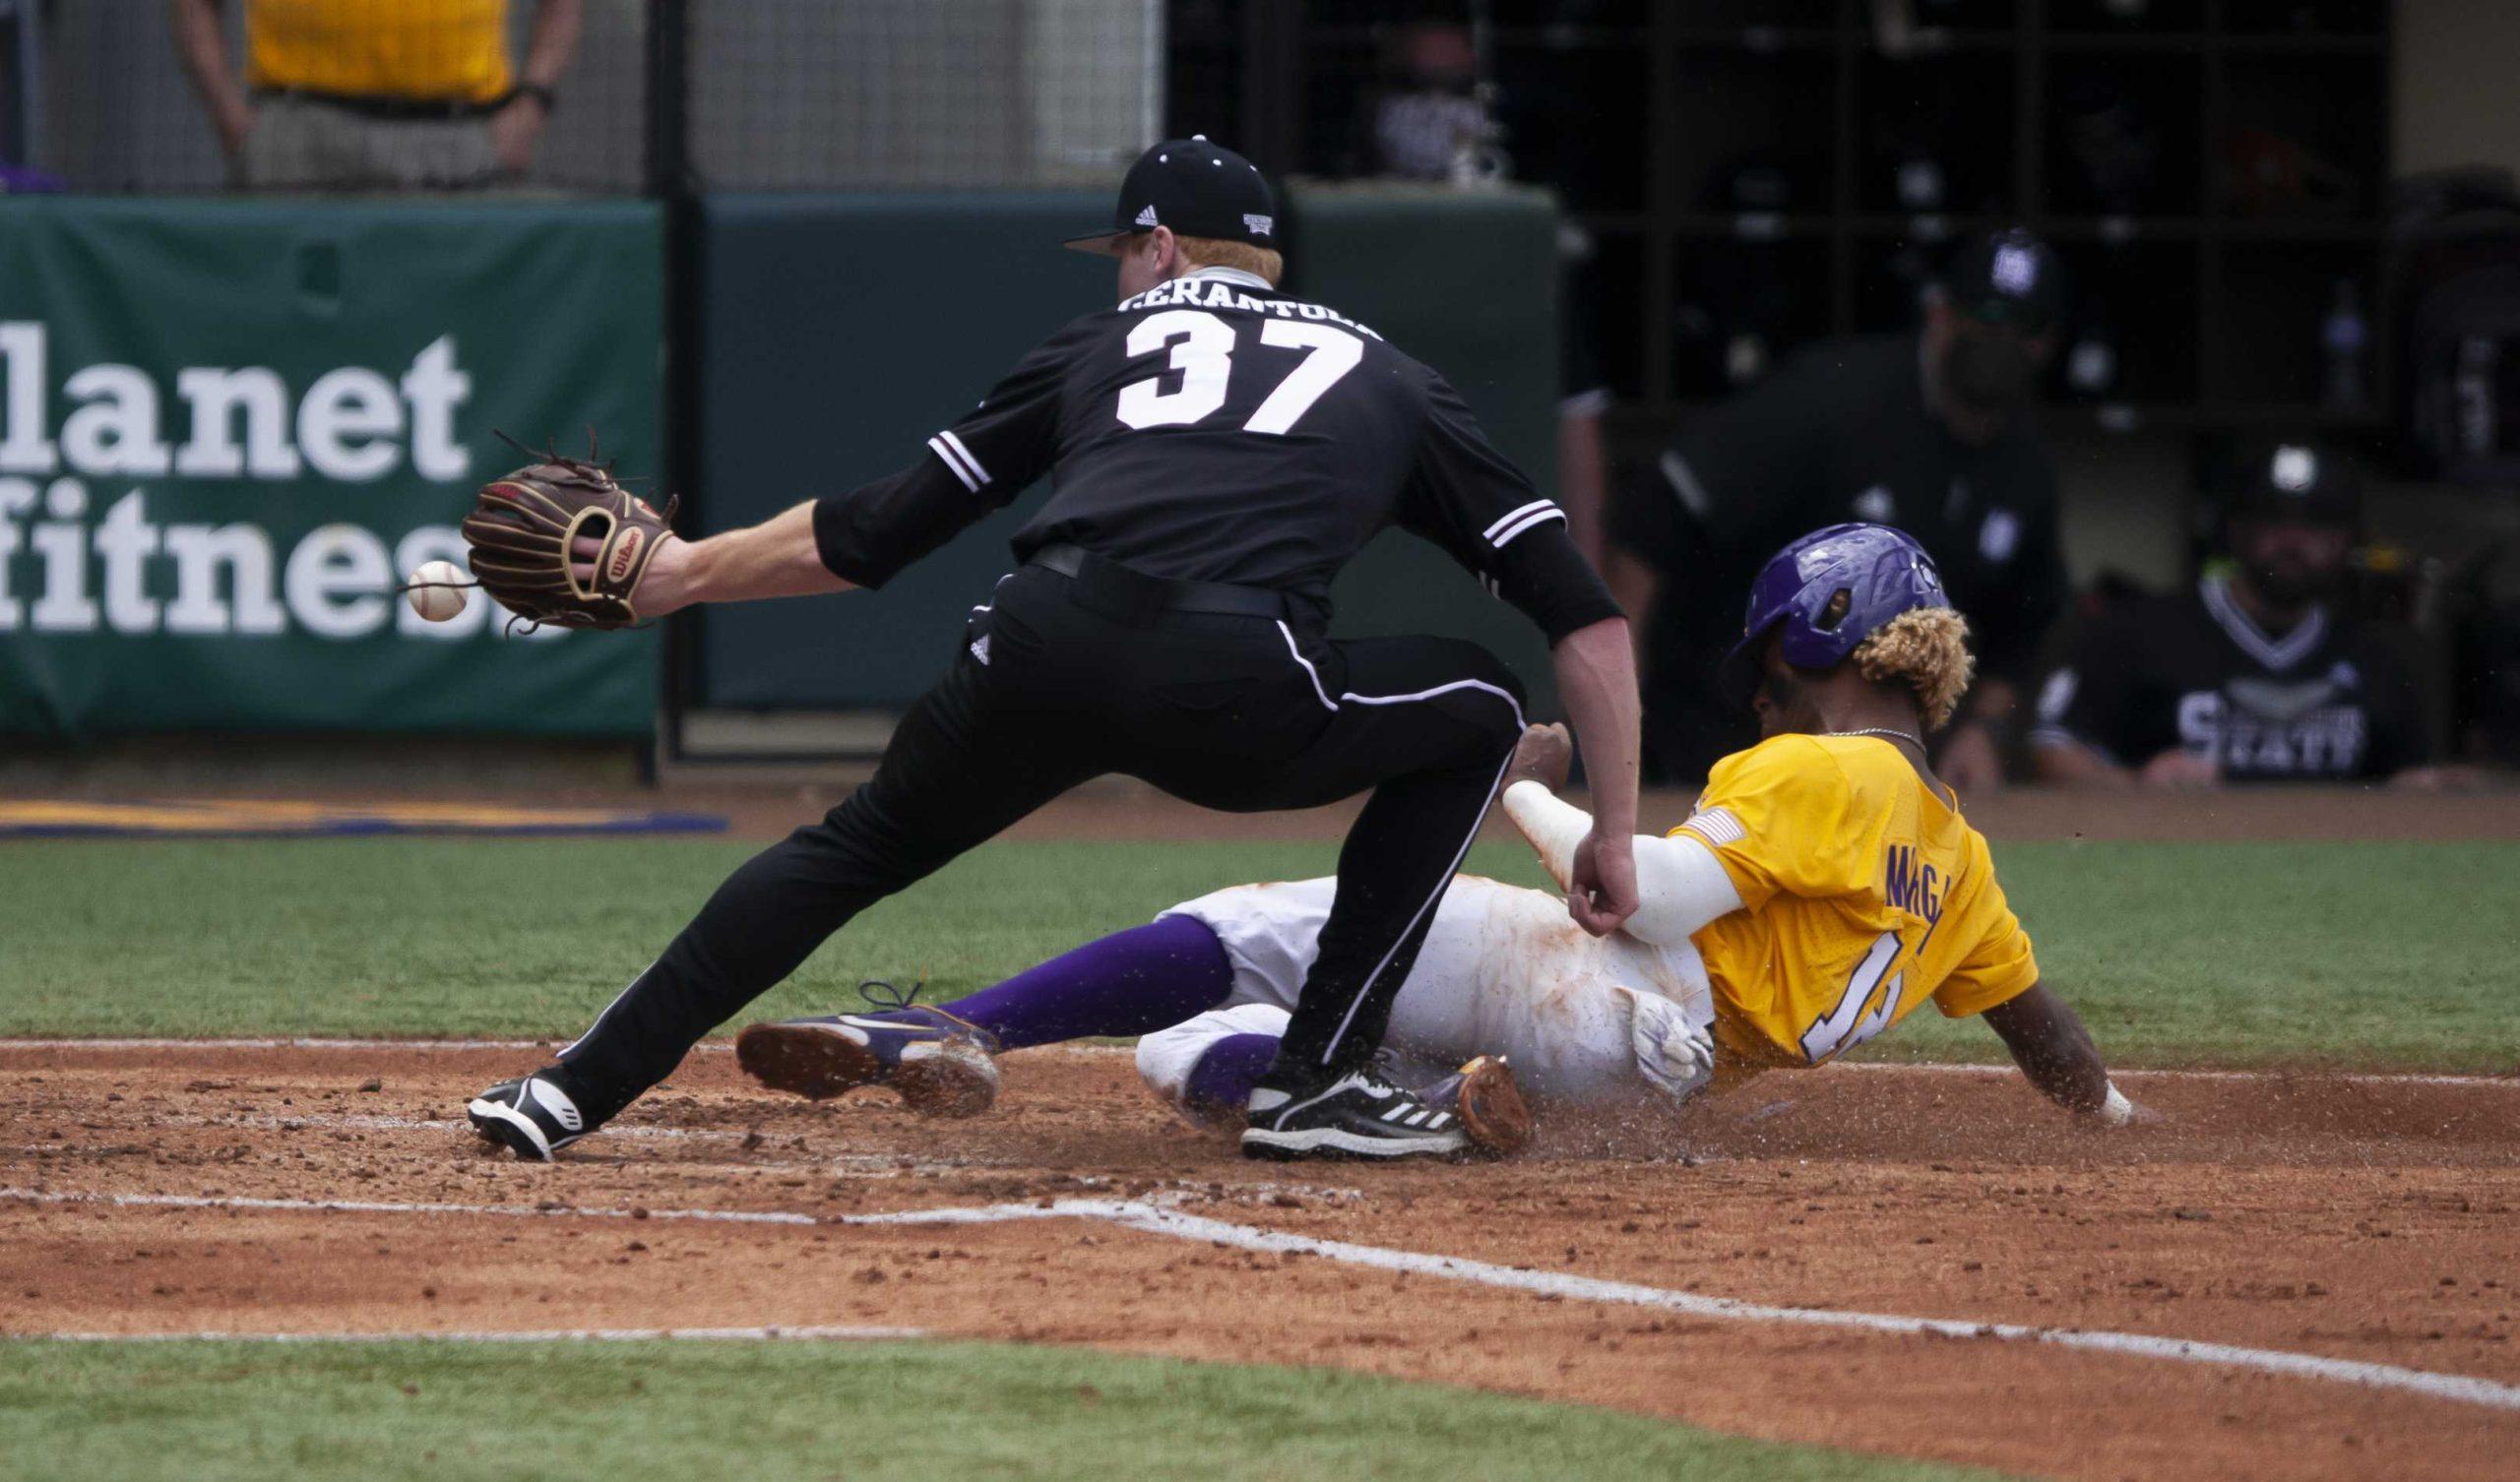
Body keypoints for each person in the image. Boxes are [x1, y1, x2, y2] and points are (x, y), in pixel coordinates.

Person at [465, 137, 1643, 1164]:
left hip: (1043, 643)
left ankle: (571, 1089)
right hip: (1239, 684)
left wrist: (680, 574)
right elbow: (1583, 617)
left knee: (854, 847)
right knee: (1484, 700)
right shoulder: (1395, 378)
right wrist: (1616, 833)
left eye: (1125, 253)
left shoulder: (1098, 348)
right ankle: (1318, 1077)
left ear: (1164, 248)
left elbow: (873, 533)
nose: (1123, 276)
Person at [735, 525, 2139, 1143]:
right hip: (1654, 1081)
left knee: (1258, 927)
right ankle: (1431, 1120)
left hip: (1615, 993)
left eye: (1779, 656)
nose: (1766, 686)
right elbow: (2047, 1032)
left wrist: (1505, 777)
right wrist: (2120, 1128)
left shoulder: (1826, 768)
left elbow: (1636, 902)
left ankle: (942, 1025)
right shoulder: (1962, 859)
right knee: (1181, 1055)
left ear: (1830, 634)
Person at [1609, 229, 2070, 791]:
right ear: (1942, 314)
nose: (1999, 340)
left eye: (2021, 327)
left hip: (1885, 762)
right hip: (1726, 723)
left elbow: (2024, 624)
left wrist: (1984, 730)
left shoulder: (2027, 467)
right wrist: (1620, 705)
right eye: (1985, 317)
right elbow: (1659, 513)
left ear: (2046, 343)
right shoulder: (1832, 401)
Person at [2031, 443, 2444, 786]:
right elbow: (2054, 747)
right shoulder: (2142, 631)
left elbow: (2415, 780)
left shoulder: (2377, 655)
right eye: (2275, 520)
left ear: (2346, 541)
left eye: (2316, 525)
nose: (2294, 542)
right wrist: (2136, 783)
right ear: (2236, 531)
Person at [170, 0, 583, 190]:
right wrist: (232, 119)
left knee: (460, 330)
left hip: (456, 139)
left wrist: (530, 106)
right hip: (299, 139)